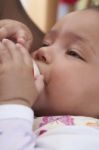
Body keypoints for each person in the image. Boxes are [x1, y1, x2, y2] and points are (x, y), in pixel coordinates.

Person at [0, 6, 99, 150]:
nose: (43, 51)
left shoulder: (87, 137)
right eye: (46, 43)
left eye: (73, 53)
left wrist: (13, 104)